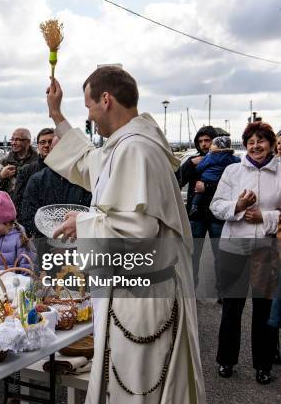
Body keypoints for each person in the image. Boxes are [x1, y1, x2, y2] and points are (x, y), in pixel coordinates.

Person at [46, 67, 204, 403]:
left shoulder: (136, 149)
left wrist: (83, 224)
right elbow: (91, 162)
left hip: (143, 297)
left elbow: (139, 231)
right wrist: (57, 116)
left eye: (88, 106)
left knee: (139, 387)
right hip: (136, 290)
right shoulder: (129, 143)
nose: (89, 115)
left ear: (106, 100)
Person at [210, 121, 281, 385]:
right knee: (232, 307)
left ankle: (263, 365)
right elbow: (216, 206)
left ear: (272, 144)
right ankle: (226, 360)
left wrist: (265, 216)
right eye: (250, 142)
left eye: (261, 141)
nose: (255, 146)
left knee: (263, 309)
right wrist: (238, 205)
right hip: (234, 248)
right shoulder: (232, 170)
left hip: (267, 248)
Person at [176, 125, 222, 290]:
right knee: (192, 255)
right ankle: (190, 289)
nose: (204, 144)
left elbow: (230, 186)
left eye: (207, 140)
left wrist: (207, 187)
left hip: (218, 215)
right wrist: (189, 163)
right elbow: (177, 182)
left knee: (220, 255)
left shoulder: (225, 160)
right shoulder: (194, 161)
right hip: (196, 216)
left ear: (214, 141)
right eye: (201, 141)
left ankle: (222, 292)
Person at [20, 135, 92, 237]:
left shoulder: (88, 179)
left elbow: (95, 215)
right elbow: (28, 217)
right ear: (52, 151)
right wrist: (54, 238)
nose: (64, 154)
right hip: (45, 245)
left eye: (68, 149)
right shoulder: (37, 180)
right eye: (60, 149)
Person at [189, 136, 239, 218]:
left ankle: (194, 206)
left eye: (213, 144)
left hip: (207, 179)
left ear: (217, 146)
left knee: (199, 192)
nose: (210, 146)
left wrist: (197, 167)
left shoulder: (210, 156)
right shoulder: (232, 158)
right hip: (221, 181)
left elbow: (200, 167)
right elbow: (238, 162)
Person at [12, 128, 54, 215]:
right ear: (38, 145)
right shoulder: (26, 171)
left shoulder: (67, 171)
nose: (46, 145)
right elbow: (18, 201)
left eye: (50, 142)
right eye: (42, 142)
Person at [0, 128, 38, 196]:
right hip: (10, 202)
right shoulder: (5, 161)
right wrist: (1, 176)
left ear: (28, 142)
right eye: (12, 139)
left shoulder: (38, 161)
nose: (13, 143)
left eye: (18, 140)